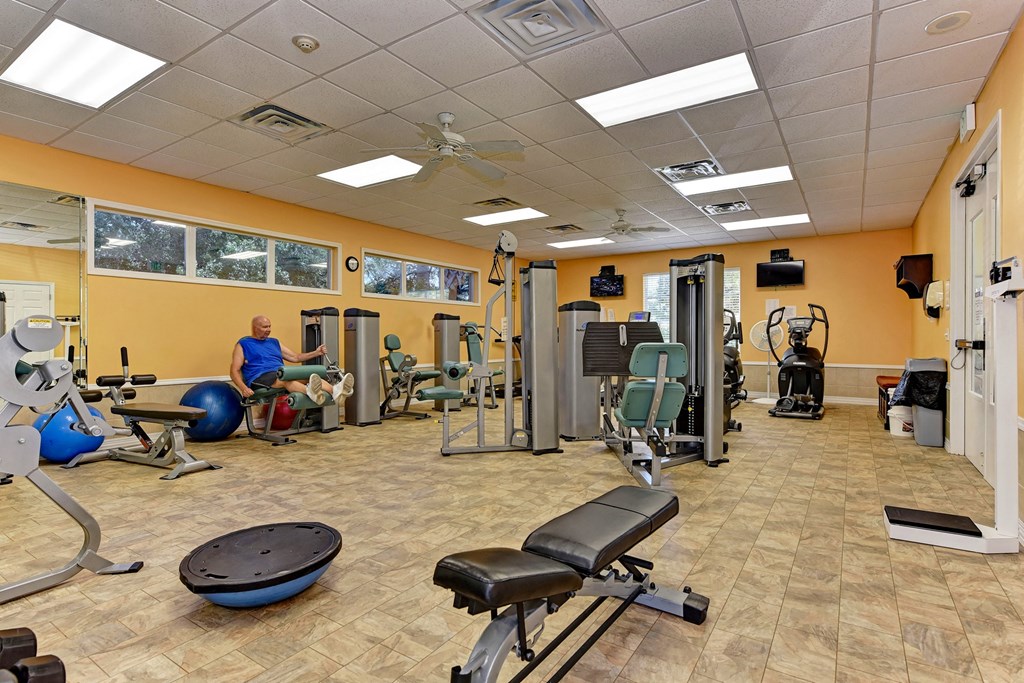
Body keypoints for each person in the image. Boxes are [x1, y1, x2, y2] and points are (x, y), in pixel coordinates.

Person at [230, 315, 354, 405]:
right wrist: (243, 388)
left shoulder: (274, 342)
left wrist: (317, 353)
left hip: (280, 373)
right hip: (259, 377)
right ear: (255, 328)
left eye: (269, 326)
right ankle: (310, 392)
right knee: (286, 380)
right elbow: (234, 370)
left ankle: (335, 392)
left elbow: (295, 357)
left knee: (311, 376)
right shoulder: (244, 343)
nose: (268, 329)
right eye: (264, 327)